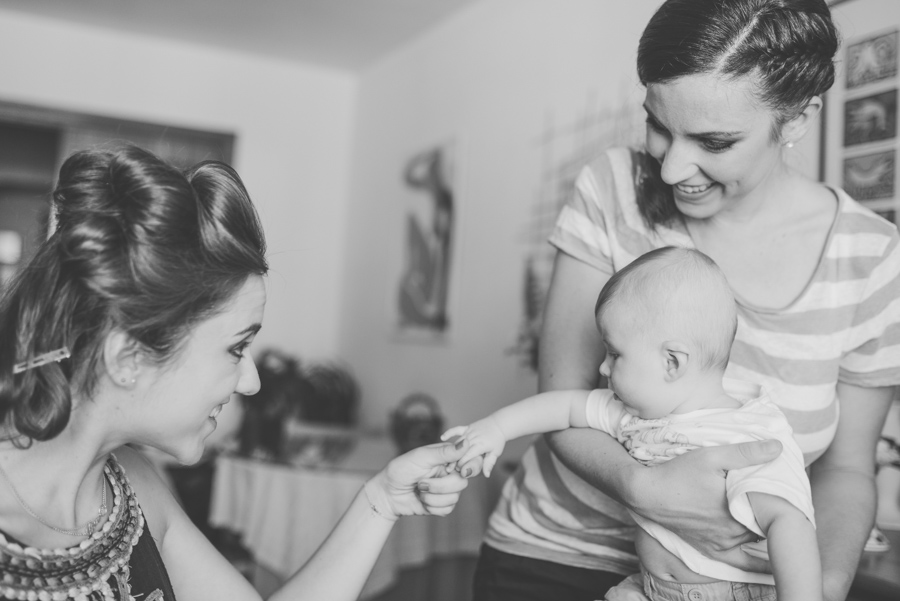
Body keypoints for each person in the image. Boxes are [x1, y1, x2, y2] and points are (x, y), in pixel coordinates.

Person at [468, 1, 900, 600]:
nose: (671, 169)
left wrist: (815, 585)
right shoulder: (612, 189)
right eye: (658, 125)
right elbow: (564, 396)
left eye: (714, 141)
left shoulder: (873, 257)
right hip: (554, 559)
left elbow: (848, 469)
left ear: (798, 118)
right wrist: (646, 489)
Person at [0, 145, 472, 601]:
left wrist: (381, 500)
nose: (252, 381)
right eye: (236, 348)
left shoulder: (134, 487)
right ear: (128, 358)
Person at [446, 246, 819, 601]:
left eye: (614, 354)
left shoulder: (744, 432)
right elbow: (565, 405)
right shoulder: (635, 411)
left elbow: (789, 523)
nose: (602, 367)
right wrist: (496, 428)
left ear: (672, 362)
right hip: (647, 587)